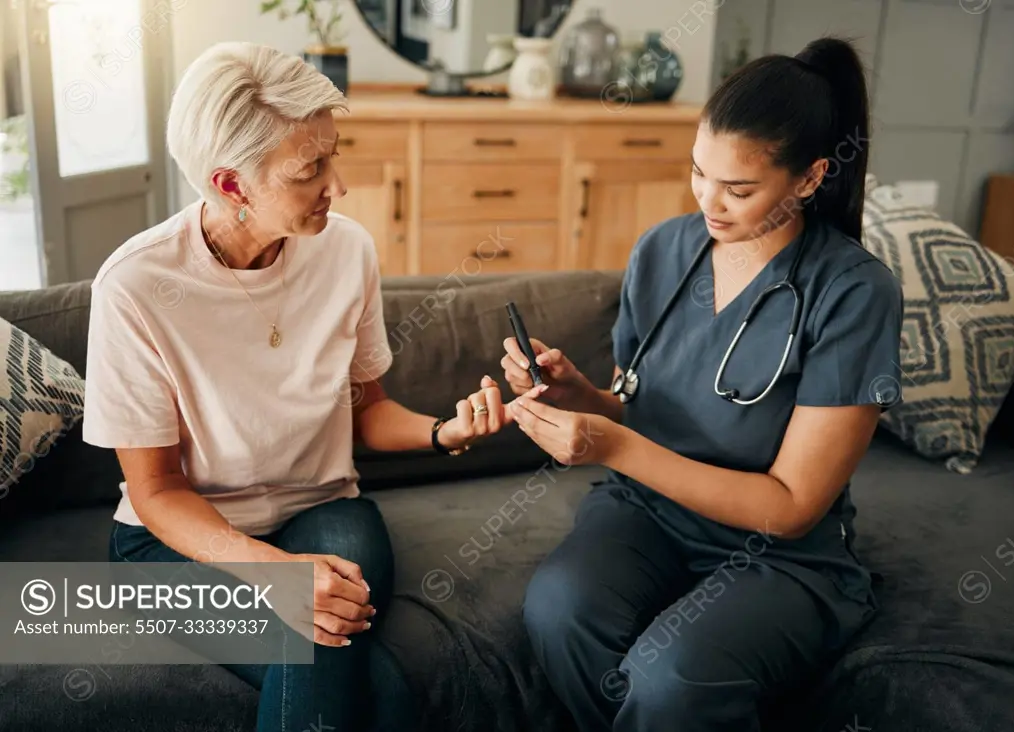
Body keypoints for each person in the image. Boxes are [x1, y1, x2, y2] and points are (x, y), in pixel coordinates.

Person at [81, 41, 542, 732]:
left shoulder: (346, 250)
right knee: (351, 668)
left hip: (325, 511)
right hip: (176, 546)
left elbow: (367, 412)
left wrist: (444, 432)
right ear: (231, 184)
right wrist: (272, 574)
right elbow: (155, 491)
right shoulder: (137, 287)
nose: (341, 185)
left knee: (326, 636)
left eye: (334, 153)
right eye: (311, 169)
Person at [501, 37, 904, 732]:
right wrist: (581, 398)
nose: (709, 204)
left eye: (739, 189)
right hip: (648, 512)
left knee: (671, 675)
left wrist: (608, 444)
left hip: (779, 554)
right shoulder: (663, 249)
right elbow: (641, 405)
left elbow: (790, 507)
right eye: (699, 174)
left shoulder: (853, 292)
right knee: (558, 610)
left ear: (809, 179)